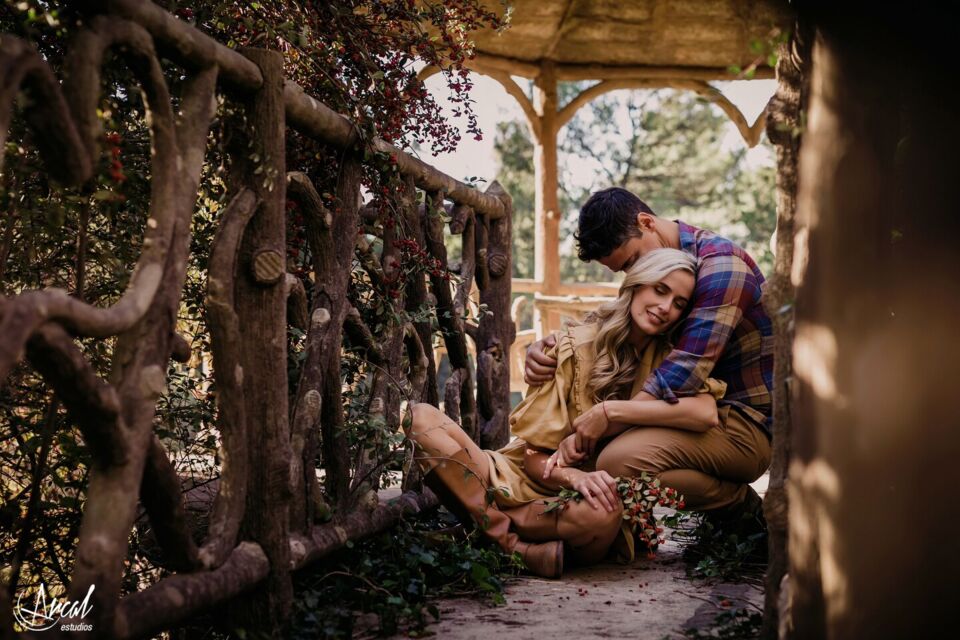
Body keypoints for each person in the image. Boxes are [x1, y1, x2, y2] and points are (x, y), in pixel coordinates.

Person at [405, 249, 725, 578]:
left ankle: (478, 522)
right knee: (420, 418)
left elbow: (705, 412)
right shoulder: (575, 344)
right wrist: (576, 476)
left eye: (679, 303)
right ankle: (511, 547)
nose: (665, 307)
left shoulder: (673, 362)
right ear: (636, 284)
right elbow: (532, 458)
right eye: (660, 290)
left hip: (576, 506)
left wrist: (614, 413)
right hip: (515, 479)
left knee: (602, 515)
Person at [526, 187, 773, 534]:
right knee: (604, 461)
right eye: (626, 271)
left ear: (646, 222)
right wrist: (553, 344)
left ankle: (748, 515)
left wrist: (600, 423)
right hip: (697, 412)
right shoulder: (675, 272)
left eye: (632, 262)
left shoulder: (721, 270)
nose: (635, 273)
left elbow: (676, 379)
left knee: (616, 462)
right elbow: (626, 316)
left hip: (744, 423)